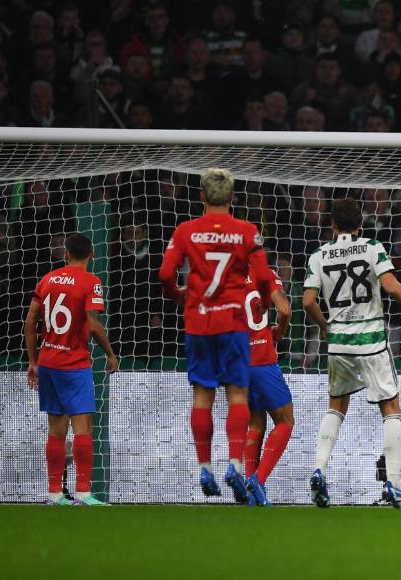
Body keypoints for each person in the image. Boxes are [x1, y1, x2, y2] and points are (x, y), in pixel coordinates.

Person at [302, 197, 401, 509]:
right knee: (391, 407)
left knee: (336, 408)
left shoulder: (319, 254)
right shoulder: (372, 247)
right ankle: (393, 485)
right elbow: (389, 285)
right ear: (361, 224)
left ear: (332, 225)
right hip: (371, 340)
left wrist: (325, 326)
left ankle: (319, 469)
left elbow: (307, 302)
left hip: (339, 342)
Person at [158, 168, 269, 503]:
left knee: (202, 396)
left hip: (199, 323)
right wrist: (261, 302)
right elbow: (263, 276)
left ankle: (204, 467)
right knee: (238, 395)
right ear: (233, 197)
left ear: (202, 197)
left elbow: (165, 273)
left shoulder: (186, 230)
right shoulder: (247, 231)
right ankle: (235, 462)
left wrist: (178, 294)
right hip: (233, 323)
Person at [24, 233, 118, 506]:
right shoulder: (92, 282)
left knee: (56, 429)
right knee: (83, 427)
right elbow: (92, 324)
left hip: (49, 362)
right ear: (92, 254)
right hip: (74, 364)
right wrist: (110, 353)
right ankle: (83, 493)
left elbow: (31, 321)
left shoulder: (47, 280)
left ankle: (54, 494)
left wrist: (33, 361)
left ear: (65, 253)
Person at [242, 265, 294, 507]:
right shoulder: (266, 274)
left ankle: (252, 493)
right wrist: (278, 333)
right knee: (285, 420)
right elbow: (285, 310)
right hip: (262, 358)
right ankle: (258, 480)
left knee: (255, 422)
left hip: (237, 362)